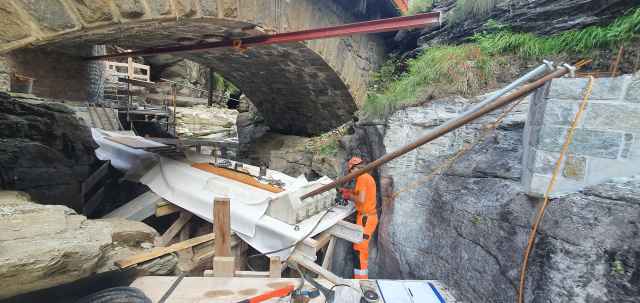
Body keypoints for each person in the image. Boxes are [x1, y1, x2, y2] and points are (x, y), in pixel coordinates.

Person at [340, 156, 378, 279]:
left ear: (353, 168)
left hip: (366, 219)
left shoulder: (361, 177)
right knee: (359, 249)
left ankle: (361, 282)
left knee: (360, 250)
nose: (351, 174)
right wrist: (349, 192)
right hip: (367, 217)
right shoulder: (367, 177)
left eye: (350, 171)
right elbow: (362, 195)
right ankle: (360, 279)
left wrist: (347, 196)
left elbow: (360, 199)